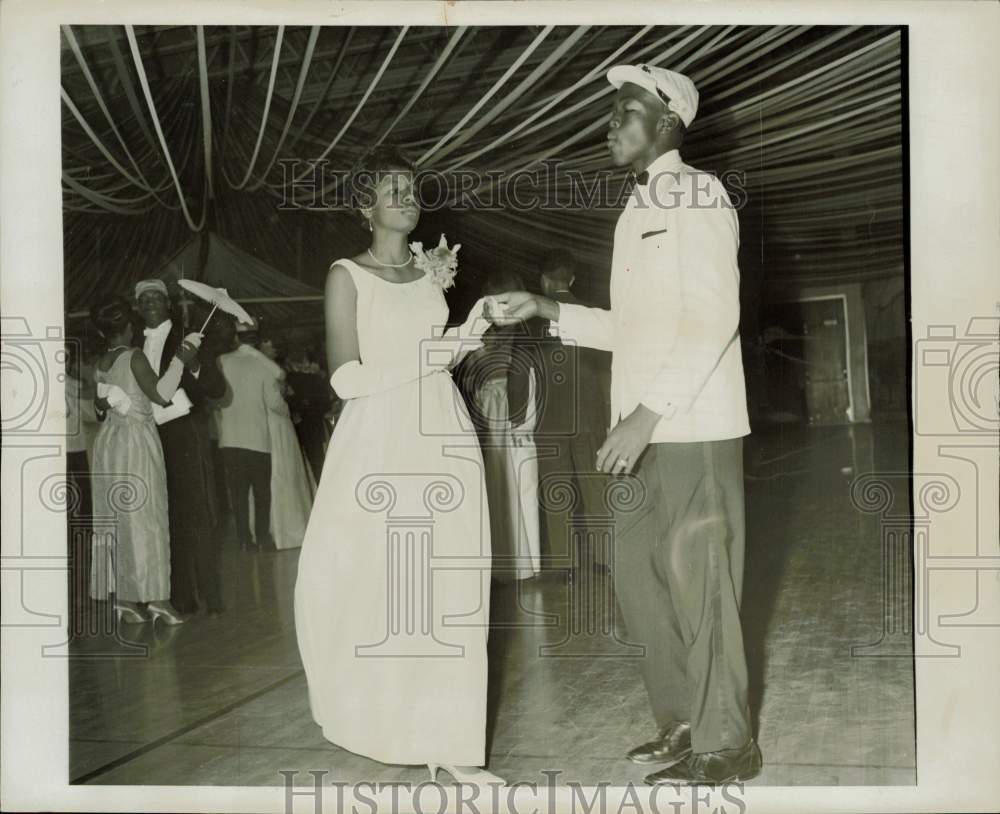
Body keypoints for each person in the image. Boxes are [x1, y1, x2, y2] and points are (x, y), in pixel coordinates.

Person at [490, 64, 761, 785]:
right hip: (640, 433)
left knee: (700, 582)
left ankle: (727, 742)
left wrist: (647, 414)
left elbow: (712, 317)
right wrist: (547, 310)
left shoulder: (698, 193)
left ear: (669, 120)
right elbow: (636, 327)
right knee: (641, 584)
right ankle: (680, 721)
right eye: (611, 112)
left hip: (689, 426)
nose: (611, 124)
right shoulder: (635, 208)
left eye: (627, 110)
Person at [294, 145, 503, 787]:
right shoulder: (344, 275)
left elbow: (444, 356)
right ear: (366, 207)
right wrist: (435, 354)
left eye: (412, 189)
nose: (408, 199)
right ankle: (388, 725)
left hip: (442, 429)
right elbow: (347, 377)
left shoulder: (429, 271)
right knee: (384, 586)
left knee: (452, 582)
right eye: (393, 191)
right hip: (378, 441)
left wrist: (471, 328)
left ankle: (453, 741)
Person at [88, 297, 191, 626]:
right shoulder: (136, 357)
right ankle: (159, 599)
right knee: (147, 518)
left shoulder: (101, 361)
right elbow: (162, 394)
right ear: (130, 328)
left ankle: (124, 600)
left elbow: (98, 406)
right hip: (136, 442)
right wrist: (181, 361)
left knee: (115, 518)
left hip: (108, 444)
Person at [135, 278, 226, 617]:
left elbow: (217, 390)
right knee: (165, 517)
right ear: (138, 307)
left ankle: (211, 598)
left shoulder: (190, 338)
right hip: (149, 436)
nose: (151, 304)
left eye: (157, 298)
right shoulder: (133, 343)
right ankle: (180, 598)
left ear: (168, 303)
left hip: (186, 433)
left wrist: (194, 364)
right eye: (144, 300)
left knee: (197, 515)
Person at [533, 249, 612, 575]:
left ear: (544, 280)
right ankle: (605, 562)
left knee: (556, 490)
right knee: (595, 488)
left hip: (550, 418)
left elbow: (524, 370)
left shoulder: (534, 318)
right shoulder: (593, 314)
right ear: (573, 278)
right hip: (590, 415)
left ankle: (566, 565)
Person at [459, 270, 541, 582]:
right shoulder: (498, 333)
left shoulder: (516, 334)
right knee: (501, 482)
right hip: (492, 411)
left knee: (508, 482)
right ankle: (512, 560)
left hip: (506, 413)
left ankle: (516, 561)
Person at [216, 319, 282, 553]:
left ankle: (245, 540)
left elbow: (215, 398)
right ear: (255, 339)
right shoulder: (263, 366)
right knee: (262, 493)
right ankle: (263, 538)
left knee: (239, 495)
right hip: (258, 439)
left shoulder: (221, 361)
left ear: (235, 338)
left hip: (231, 440)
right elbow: (274, 403)